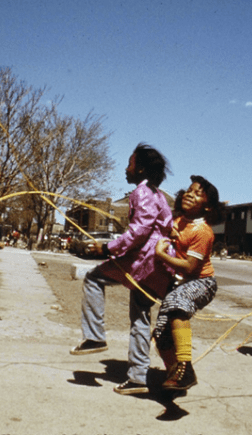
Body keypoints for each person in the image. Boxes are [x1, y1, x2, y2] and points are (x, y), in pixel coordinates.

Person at [70, 143, 173, 396]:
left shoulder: (142, 192)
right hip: (158, 261)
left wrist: (107, 248)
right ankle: (138, 377)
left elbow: (140, 231)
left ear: (141, 170)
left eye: (130, 163)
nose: (126, 168)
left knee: (94, 279)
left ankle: (94, 336)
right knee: (140, 315)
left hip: (144, 259)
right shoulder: (158, 194)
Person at [152, 175, 221, 391]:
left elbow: (190, 267)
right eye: (189, 190)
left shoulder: (203, 231)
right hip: (180, 284)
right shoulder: (178, 221)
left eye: (198, 194)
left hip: (202, 282)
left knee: (177, 303)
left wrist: (161, 255)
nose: (190, 194)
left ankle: (185, 369)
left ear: (208, 207)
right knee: (161, 335)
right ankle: (174, 375)